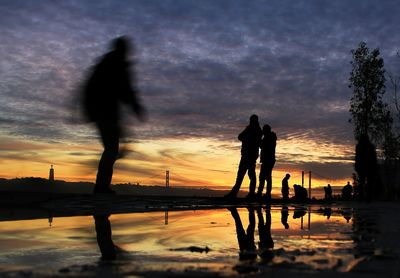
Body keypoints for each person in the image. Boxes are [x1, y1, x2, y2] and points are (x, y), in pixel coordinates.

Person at [83, 36, 145, 194]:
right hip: (106, 112)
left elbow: (122, 90)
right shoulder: (116, 64)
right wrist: (135, 106)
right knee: (112, 148)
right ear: (123, 49)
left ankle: (102, 184)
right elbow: (125, 89)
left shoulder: (107, 63)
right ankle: (101, 186)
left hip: (103, 111)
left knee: (113, 148)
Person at [225, 115, 262, 199]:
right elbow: (240, 137)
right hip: (248, 155)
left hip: (249, 155)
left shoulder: (254, 130)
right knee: (245, 174)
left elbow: (241, 137)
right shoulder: (253, 129)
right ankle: (238, 193)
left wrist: (248, 139)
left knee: (246, 174)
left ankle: (246, 193)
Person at [355, 134, 379, 201]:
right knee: (368, 183)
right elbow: (374, 157)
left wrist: (357, 166)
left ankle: (361, 197)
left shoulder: (359, 146)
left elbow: (357, 157)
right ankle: (368, 198)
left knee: (362, 183)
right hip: (369, 167)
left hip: (363, 167)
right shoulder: (370, 146)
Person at [256, 124, 277, 201]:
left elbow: (261, 145)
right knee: (266, 177)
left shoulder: (269, 138)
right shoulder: (270, 137)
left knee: (264, 177)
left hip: (268, 159)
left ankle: (262, 193)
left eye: (264, 130)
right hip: (268, 159)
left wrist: (259, 138)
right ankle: (265, 193)